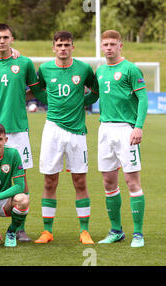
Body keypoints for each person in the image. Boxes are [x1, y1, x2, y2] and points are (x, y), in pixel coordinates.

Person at [0, 23, 46, 242]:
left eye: (6, 37)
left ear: (12, 39)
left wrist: (20, 98)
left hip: (18, 128)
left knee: (22, 178)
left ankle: (19, 227)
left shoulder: (24, 63)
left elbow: (37, 91)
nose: (2, 41)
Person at [34, 31, 99, 245]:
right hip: (52, 129)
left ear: (73, 47)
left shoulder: (84, 68)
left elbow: (96, 91)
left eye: (67, 44)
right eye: (59, 44)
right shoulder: (44, 69)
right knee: (50, 180)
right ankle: (47, 231)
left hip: (77, 131)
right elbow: (38, 90)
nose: (63, 48)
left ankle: (84, 231)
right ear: (53, 47)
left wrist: (82, 102)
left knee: (80, 181)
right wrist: (49, 103)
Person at [95, 30, 147, 248]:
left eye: (112, 44)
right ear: (101, 46)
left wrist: (138, 127)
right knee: (108, 181)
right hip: (104, 129)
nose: (108, 47)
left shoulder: (130, 69)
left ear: (120, 45)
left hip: (126, 130)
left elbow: (143, 98)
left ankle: (138, 234)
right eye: (105, 44)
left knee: (131, 181)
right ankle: (116, 230)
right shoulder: (99, 70)